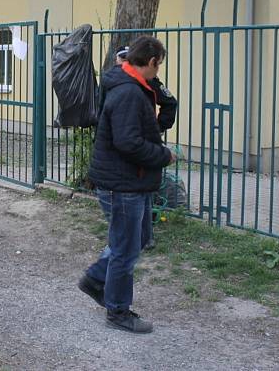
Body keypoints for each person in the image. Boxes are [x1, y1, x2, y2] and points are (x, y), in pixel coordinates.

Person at [79, 36, 175, 334]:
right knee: (125, 250)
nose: (157, 72)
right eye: (157, 66)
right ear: (151, 62)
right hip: (123, 184)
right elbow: (127, 141)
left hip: (133, 181)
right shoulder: (129, 93)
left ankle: (96, 279)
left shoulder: (136, 87)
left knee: (140, 237)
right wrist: (163, 155)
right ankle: (118, 310)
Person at [114, 45, 178, 250]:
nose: (123, 62)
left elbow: (170, 103)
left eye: (126, 58)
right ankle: (130, 237)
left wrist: (157, 127)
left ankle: (144, 236)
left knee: (143, 187)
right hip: (121, 140)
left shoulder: (149, 83)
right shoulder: (113, 81)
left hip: (142, 141)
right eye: (121, 58)